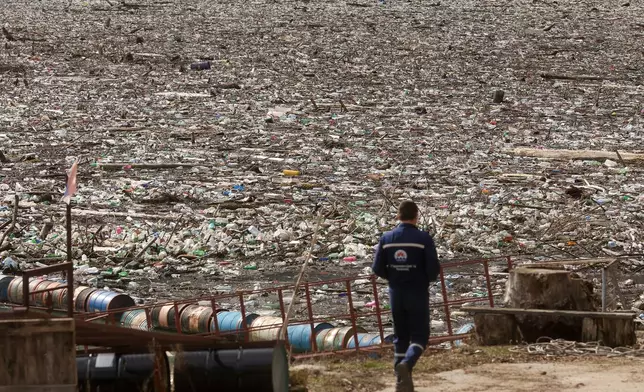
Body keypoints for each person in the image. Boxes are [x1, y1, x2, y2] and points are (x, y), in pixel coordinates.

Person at [371, 200, 440, 392]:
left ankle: (400, 381)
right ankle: (407, 364)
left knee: (400, 337)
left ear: (398, 216)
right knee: (420, 335)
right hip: (417, 293)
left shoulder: (386, 238)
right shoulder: (423, 239)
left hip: (396, 294)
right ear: (416, 216)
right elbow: (433, 269)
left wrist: (393, 277)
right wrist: (423, 278)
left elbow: (377, 268)